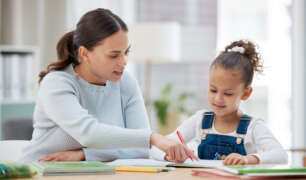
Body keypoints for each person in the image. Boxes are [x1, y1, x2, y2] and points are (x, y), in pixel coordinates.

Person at [20, 8, 197, 163]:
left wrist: (83, 155)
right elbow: (89, 133)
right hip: (38, 172)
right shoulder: (56, 83)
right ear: (84, 53)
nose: (124, 62)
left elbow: (140, 149)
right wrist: (152, 138)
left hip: (92, 172)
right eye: (114, 55)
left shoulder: (125, 82)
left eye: (126, 52)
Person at [150, 40, 288, 165]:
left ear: (246, 93)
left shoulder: (253, 127)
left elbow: (281, 156)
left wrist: (248, 159)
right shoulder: (200, 119)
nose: (218, 99)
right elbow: (156, 149)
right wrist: (169, 155)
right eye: (213, 90)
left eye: (228, 93)